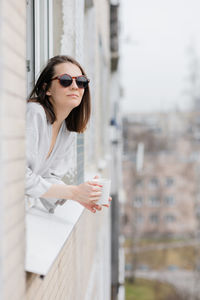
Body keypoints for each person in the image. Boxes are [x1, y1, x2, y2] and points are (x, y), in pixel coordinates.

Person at [25, 55, 111, 214]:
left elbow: (48, 177)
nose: (74, 86)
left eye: (81, 81)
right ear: (46, 88)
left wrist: (79, 195)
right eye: (65, 80)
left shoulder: (66, 130)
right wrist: (74, 192)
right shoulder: (34, 114)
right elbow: (19, 176)